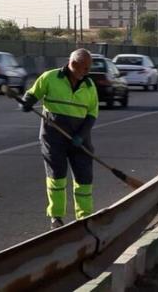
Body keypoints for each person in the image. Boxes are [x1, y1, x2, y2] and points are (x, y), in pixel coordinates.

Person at [22, 48, 98, 229]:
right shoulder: (50, 78)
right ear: (73, 64)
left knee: (84, 178)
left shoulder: (89, 85)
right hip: (53, 136)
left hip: (80, 137)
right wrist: (26, 102)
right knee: (56, 177)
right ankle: (56, 218)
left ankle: (84, 218)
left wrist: (81, 135)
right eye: (85, 68)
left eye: (89, 68)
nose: (87, 72)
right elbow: (32, 94)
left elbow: (92, 113)